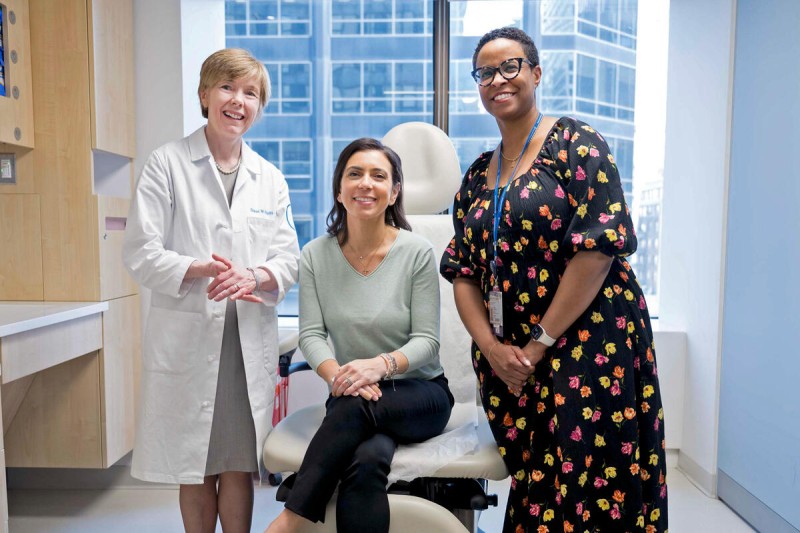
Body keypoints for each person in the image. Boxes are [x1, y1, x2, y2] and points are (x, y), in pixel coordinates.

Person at [440, 27, 668, 532]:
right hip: (514, 359)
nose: (497, 79)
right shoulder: (479, 174)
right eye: (484, 73)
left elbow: (598, 250)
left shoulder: (577, 144)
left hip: (588, 341)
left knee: (592, 479)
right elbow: (461, 270)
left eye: (510, 67)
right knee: (537, 479)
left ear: (536, 73)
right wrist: (495, 350)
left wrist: (540, 342)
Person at [123, 48, 300, 533]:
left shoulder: (271, 178)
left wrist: (256, 276)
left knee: (238, 459)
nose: (238, 101)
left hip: (245, 337)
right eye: (227, 88)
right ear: (204, 95)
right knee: (194, 462)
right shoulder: (167, 164)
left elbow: (289, 259)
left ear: (259, 106)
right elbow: (140, 251)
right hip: (189, 334)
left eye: (250, 93)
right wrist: (196, 267)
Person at [265, 138, 455, 533]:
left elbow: (427, 342)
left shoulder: (417, 252)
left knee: (354, 408)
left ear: (394, 192)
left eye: (378, 175)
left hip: (420, 394)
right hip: (350, 391)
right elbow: (312, 334)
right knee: (365, 463)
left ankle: (290, 517)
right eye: (355, 174)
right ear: (339, 189)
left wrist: (378, 367)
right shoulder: (316, 255)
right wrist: (337, 375)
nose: (365, 183)